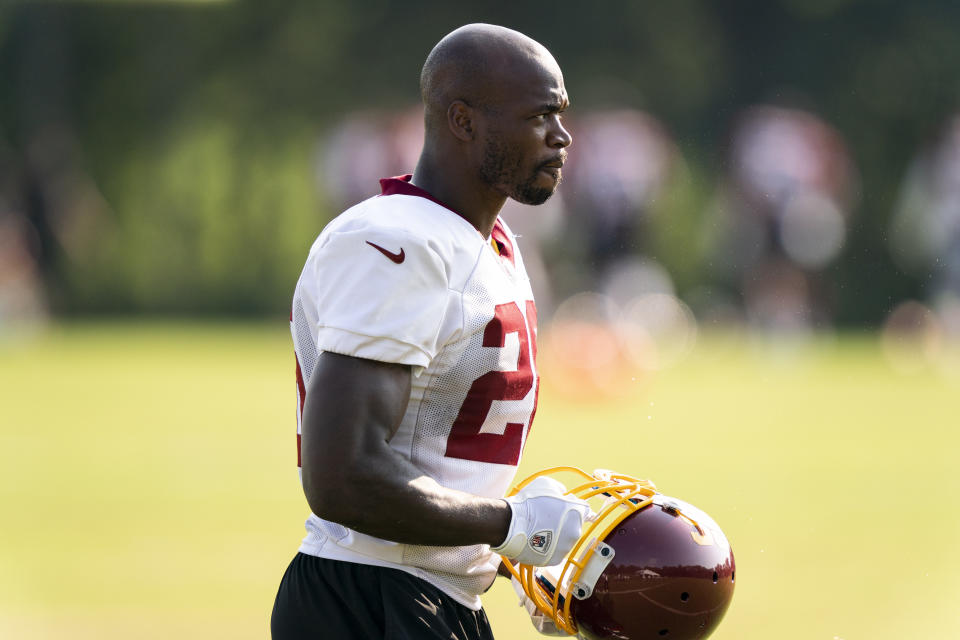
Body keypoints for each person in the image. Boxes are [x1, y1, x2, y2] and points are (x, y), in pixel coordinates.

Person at [271, 23, 590, 640]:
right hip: (366, 598)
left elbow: (431, 460)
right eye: (540, 115)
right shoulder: (399, 242)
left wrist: (509, 561)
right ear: (464, 121)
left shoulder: (488, 243)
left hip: (432, 596)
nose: (562, 135)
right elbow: (344, 477)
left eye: (562, 113)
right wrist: (510, 525)